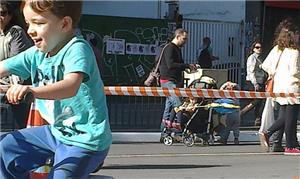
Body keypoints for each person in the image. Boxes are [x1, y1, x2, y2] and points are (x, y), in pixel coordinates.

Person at [0, 1, 112, 178]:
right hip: (56, 132)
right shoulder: (37, 54)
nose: (30, 30)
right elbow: (2, 67)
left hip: (86, 140)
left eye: (39, 23)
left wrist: (31, 90)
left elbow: (71, 86)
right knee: (4, 147)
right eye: (28, 23)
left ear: (64, 24)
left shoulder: (76, 49)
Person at [259, 18, 300, 155]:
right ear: (292, 36)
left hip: (279, 87)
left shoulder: (278, 49)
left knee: (285, 115)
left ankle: (277, 140)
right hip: (292, 87)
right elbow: (295, 71)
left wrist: (273, 73)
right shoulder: (294, 51)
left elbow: (265, 65)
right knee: (290, 117)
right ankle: (289, 144)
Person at [159, 28, 197, 140]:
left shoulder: (177, 49)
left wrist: (188, 67)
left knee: (169, 107)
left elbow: (178, 64)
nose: (185, 41)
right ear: (177, 36)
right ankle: (178, 131)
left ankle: (164, 132)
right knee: (178, 105)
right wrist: (186, 66)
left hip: (173, 80)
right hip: (168, 81)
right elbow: (171, 64)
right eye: (184, 38)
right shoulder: (170, 48)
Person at [0, 1, 33, 129]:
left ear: (10, 15)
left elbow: (19, 70)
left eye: (2, 13)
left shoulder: (16, 32)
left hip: (11, 98)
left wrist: (6, 87)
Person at [242, 41, 266, 126]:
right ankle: (241, 114)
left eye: (260, 47)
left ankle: (258, 119)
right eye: (257, 47)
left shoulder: (261, 58)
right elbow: (251, 71)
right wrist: (255, 83)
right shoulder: (252, 58)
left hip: (261, 81)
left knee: (260, 101)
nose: (259, 49)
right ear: (253, 49)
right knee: (256, 100)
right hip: (254, 82)